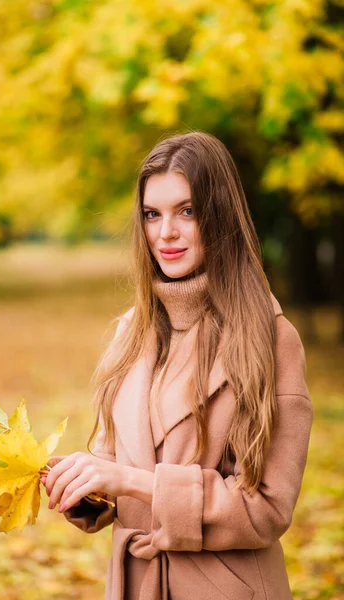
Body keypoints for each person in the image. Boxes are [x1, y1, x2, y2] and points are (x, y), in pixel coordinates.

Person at [41, 131, 313, 600]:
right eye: (152, 214)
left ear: (221, 216)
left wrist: (135, 482)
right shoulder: (130, 332)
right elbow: (117, 466)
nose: (165, 233)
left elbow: (267, 508)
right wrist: (83, 482)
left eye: (186, 211)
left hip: (226, 587)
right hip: (135, 585)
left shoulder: (270, 339)